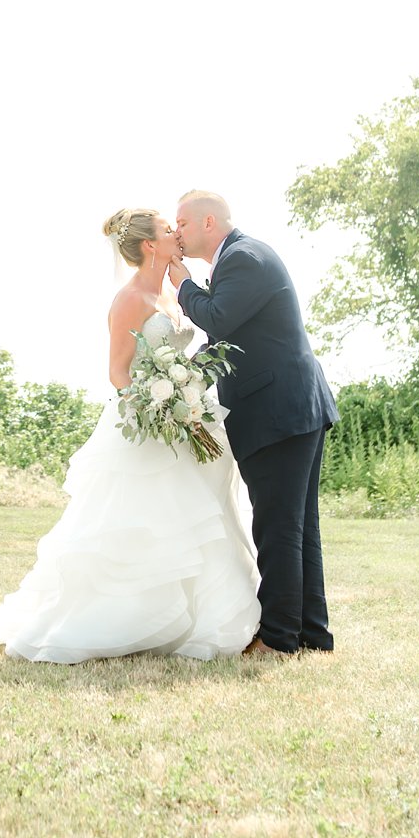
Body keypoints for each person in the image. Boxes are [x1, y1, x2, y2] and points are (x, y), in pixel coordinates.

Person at [0, 208, 260, 663]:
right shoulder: (129, 299)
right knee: (144, 521)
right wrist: (162, 408)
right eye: (170, 230)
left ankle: (198, 619)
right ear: (151, 245)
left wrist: (186, 400)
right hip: (149, 423)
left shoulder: (170, 292)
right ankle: (122, 621)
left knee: (201, 515)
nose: (177, 233)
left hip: (187, 416)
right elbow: (117, 372)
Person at [169, 190, 339, 656]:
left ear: (208, 222)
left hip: (279, 409)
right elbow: (237, 339)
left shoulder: (243, 258)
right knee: (297, 524)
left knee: (278, 525)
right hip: (291, 405)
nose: (176, 232)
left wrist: (183, 283)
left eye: (181, 223)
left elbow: (219, 319)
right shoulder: (240, 259)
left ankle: (280, 638)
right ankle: (312, 633)